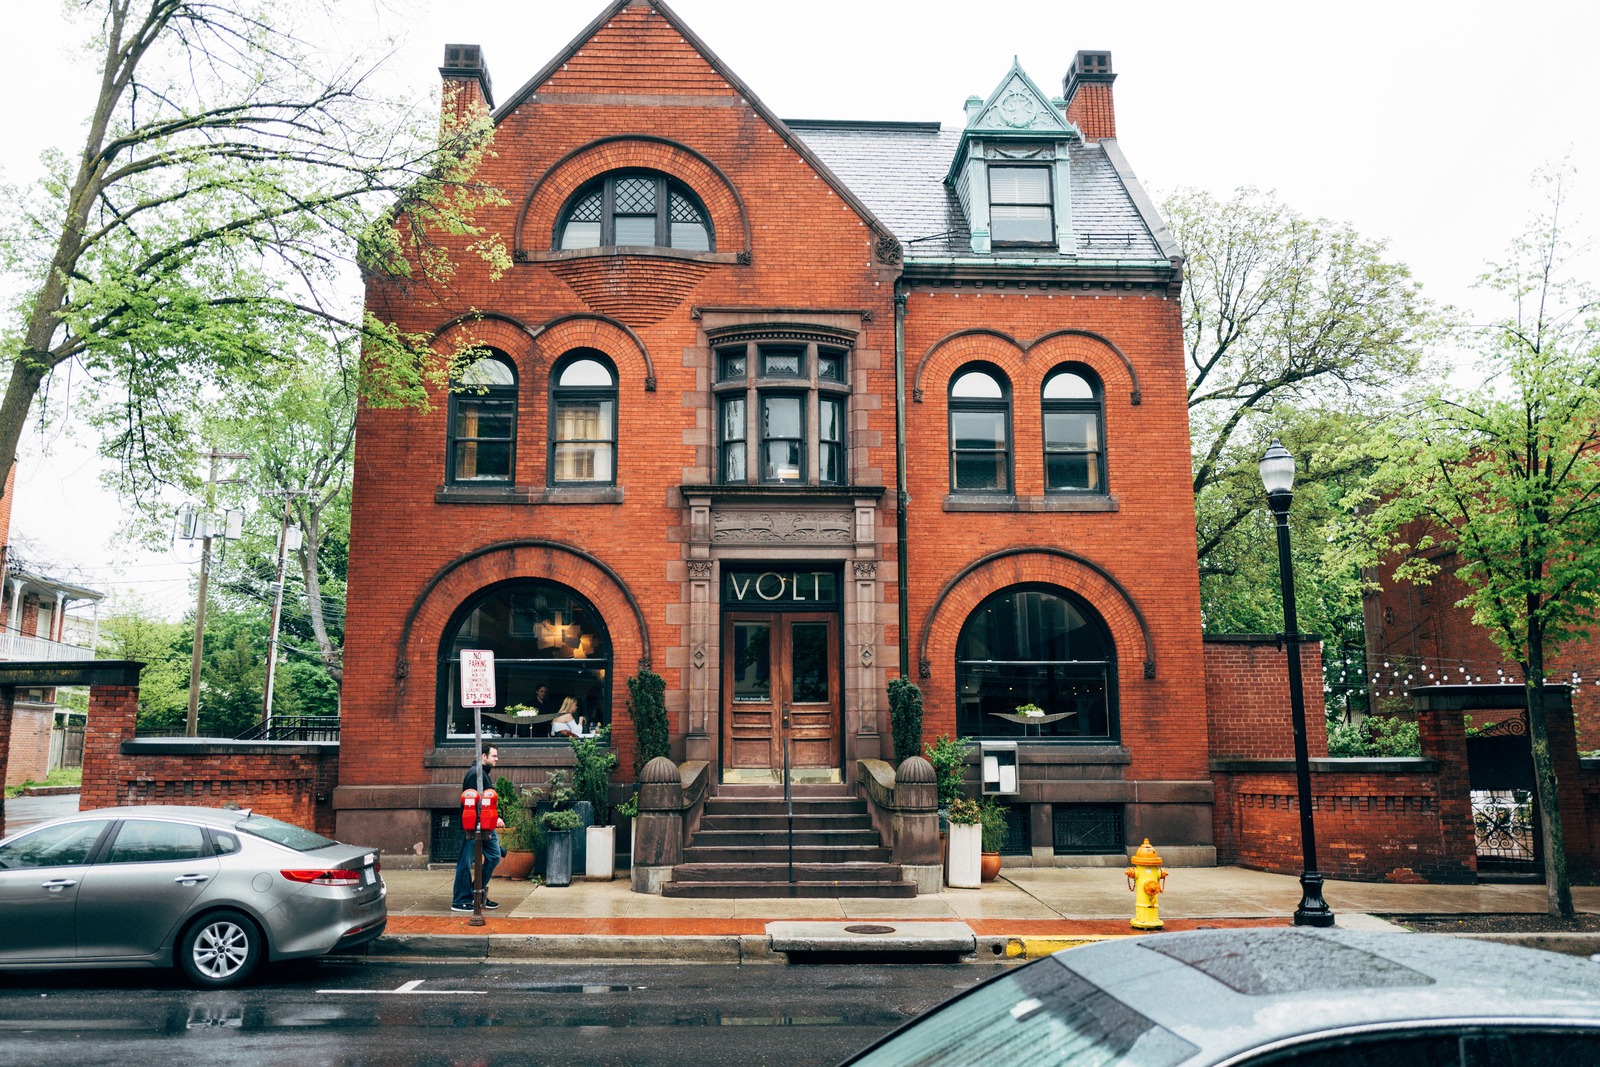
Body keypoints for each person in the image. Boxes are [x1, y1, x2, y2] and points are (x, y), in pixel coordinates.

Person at [451, 744, 504, 913]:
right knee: (465, 862)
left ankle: (477, 894)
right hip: (473, 826)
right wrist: (490, 819)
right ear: (483, 756)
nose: (497, 759)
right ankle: (460, 900)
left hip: (485, 825)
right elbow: (473, 801)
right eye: (493, 756)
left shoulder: (482, 774)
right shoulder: (476, 774)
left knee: (495, 855)